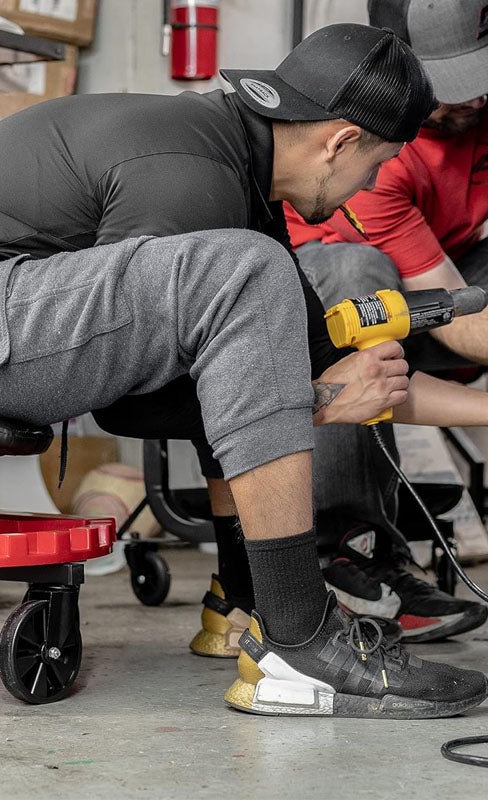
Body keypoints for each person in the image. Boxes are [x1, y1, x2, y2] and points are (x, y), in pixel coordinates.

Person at [0, 23, 488, 717]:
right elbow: (137, 404)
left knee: (258, 297)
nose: (372, 184)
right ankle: (301, 643)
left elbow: (325, 368)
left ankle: (248, 600)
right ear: (340, 141)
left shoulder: (238, 179)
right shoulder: (192, 175)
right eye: (376, 163)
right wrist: (317, 398)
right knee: (248, 281)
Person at [280, 0, 488, 646]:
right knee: (354, 273)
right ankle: (349, 548)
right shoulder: (376, 154)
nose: (468, 101)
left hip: (440, 273)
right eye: (444, 87)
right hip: (332, 311)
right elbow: (455, 319)